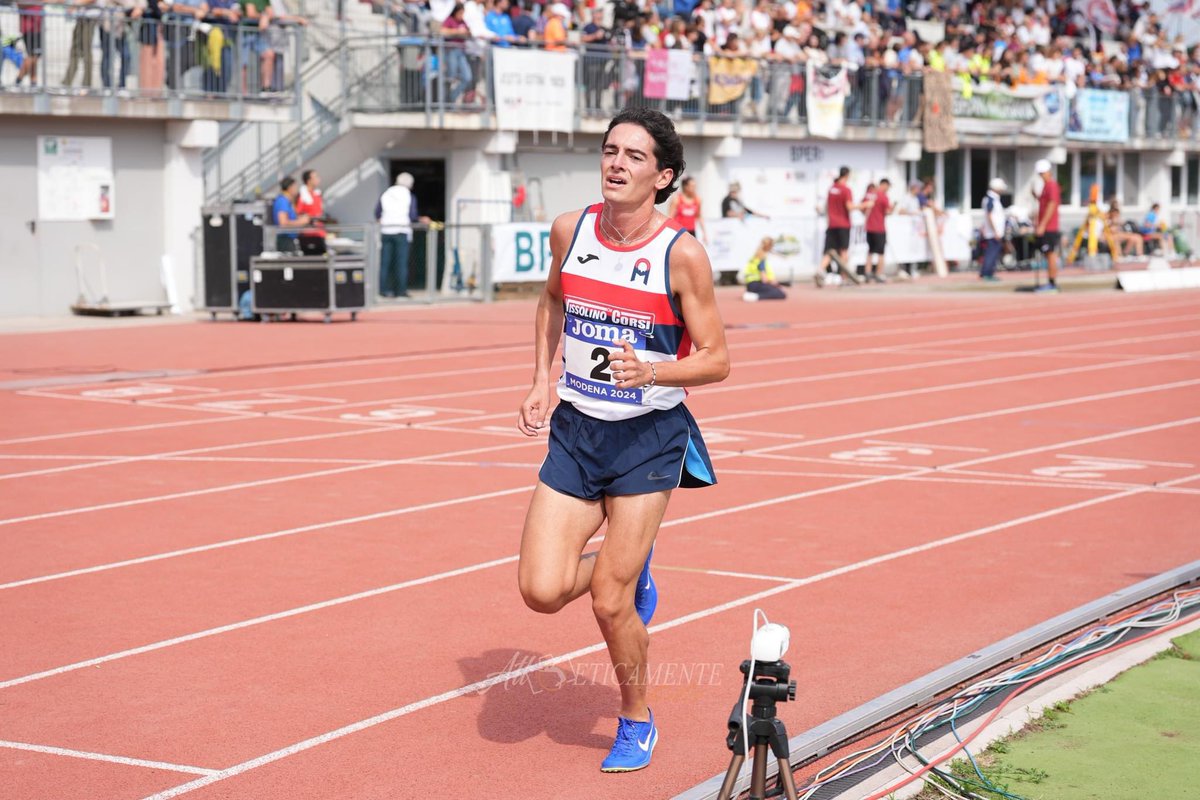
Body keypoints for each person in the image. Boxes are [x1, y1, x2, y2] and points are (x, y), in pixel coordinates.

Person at [515, 107, 729, 775]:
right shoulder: (570, 231)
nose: (616, 163)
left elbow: (718, 359)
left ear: (663, 176)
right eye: (611, 150)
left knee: (610, 600)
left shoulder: (681, 253)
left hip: (647, 437)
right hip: (577, 431)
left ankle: (636, 718)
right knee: (542, 591)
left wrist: (656, 369)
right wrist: (539, 379)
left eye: (634, 156)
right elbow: (551, 300)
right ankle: (629, 567)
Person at [816, 165, 870, 287]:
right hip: (843, 224)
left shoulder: (831, 189)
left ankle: (819, 271)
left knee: (830, 251)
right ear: (847, 175)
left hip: (832, 224)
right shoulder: (846, 190)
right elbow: (850, 207)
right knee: (844, 251)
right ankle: (843, 277)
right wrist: (864, 205)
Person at [1032, 158, 1061, 292]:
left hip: (1049, 227)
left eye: (1043, 173)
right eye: (1040, 173)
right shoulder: (1046, 186)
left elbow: (1052, 204)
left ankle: (1052, 283)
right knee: (1048, 254)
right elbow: (1045, 203)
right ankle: (1051, 282)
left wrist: (1042, 224)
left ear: (1049, 172)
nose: (1041, 175)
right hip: (1046, 226)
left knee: (1050, 255)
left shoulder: (1051, 185)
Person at [863, 178, 893, 283]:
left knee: (870, 251)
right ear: (884, 185)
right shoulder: (883, 197)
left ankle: (867, 272)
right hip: (879, 228)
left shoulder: (870, 194)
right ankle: (879, 274)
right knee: (881, 253)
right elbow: (888, 211)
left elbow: (863, 207)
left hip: (869, 227)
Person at [979, 177, 1007, 282]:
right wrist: (995, 231)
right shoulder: (990, 199)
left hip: (994, 232)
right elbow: (989, 216)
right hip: (993, 233)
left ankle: (987, 272)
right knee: (991, 253)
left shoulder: (993, 199)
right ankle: (987, 273)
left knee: (993, 252)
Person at [272, 176, 310, 252]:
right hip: (285, 240)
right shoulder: (282, 201)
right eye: (295, 187)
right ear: (290, 187)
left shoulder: (289, 202)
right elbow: (283, 223)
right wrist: (301, 222)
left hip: (290, 239)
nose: (297, 189)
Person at [666, 176, 707, 244]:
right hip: (679, 232)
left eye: (695, 186)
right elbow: (670, 217)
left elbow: (699, 216)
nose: (694, 188)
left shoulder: (697, 200)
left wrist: (704, 233)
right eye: (692, 186)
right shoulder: (677, 199)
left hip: (691, 232)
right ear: (685, 187)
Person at [295, 168, 326, 254]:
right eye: (315, 177)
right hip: (309, 235)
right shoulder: (302, 196)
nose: (318, 179)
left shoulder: (317, 194)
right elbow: (298, 214)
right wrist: (310, 220)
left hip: (319, 233)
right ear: (309, 181)